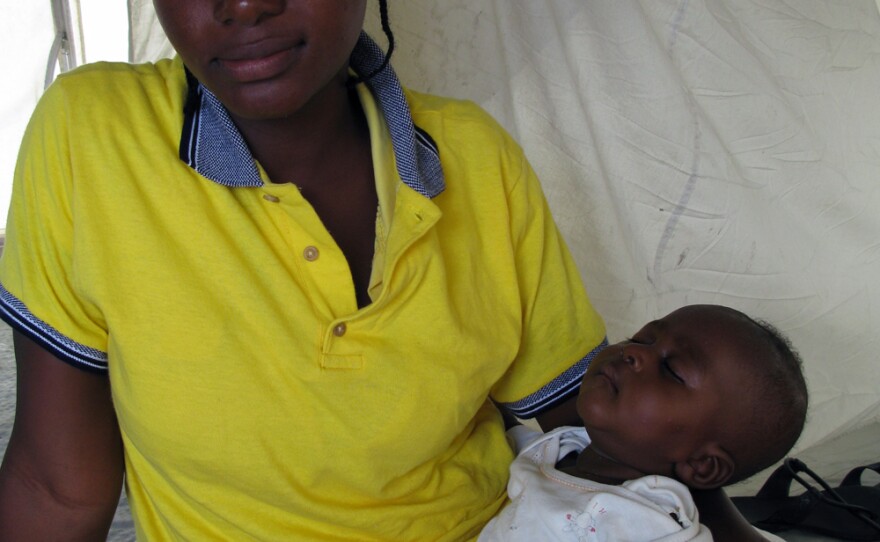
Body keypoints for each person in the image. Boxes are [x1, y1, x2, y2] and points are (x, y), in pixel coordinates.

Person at [0, 1, 607, 540]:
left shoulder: (475, 158)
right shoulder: (94, 136)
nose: (244, 7)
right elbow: (55, 489)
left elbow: (612, 435)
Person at [479, 304, 809, 541]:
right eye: (642, 338)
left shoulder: (649, 524)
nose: (634, 354)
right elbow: (498, 431)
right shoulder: (565, 447)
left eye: (672, 371)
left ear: (703, 465)